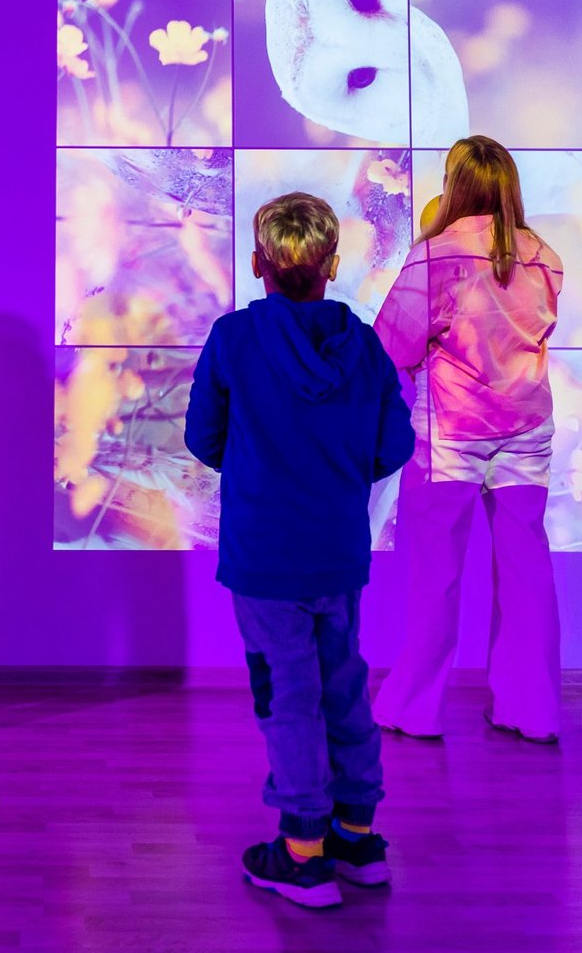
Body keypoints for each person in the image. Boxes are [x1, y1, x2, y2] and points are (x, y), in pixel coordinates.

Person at [186, 192, 414, 909]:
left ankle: (303, 851)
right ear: (332, 266)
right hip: (338, 549)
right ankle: (357, 836)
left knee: (286, 693)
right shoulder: (366, 346)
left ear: (257, 264)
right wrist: (337, 474)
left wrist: (261, 468)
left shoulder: (232, 339)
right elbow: (394, 445)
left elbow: (203, 438)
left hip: (263, 554)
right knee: (344, 684)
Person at [372, 136, 566, 742]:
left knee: (437, 573)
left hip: (451, 433)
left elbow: (391, 344)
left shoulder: (438, 255)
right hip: (527, 428)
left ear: (456, 184)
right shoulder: (545, 256)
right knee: (527, 573)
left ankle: (414, 708)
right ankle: (532, 710)